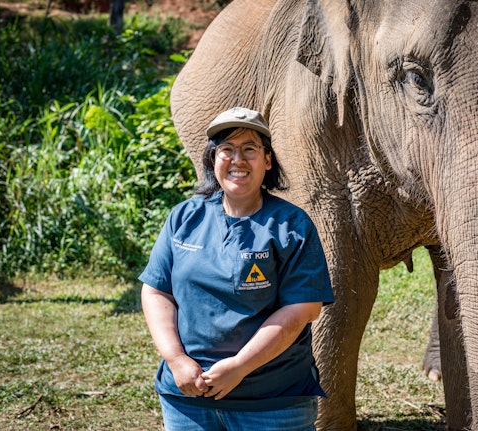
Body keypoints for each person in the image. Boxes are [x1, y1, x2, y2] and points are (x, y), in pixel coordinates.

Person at [139, 107, 335, 431]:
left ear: (267, 160)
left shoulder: (292, 226)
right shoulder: (184, 218)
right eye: (226, 150)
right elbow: (157, 289)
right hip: (187, 399)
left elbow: (302, 309)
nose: (237, 159)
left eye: (249, 149)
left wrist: (239, 367)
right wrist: (176, 360)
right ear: (213, 159)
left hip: (273, 404)